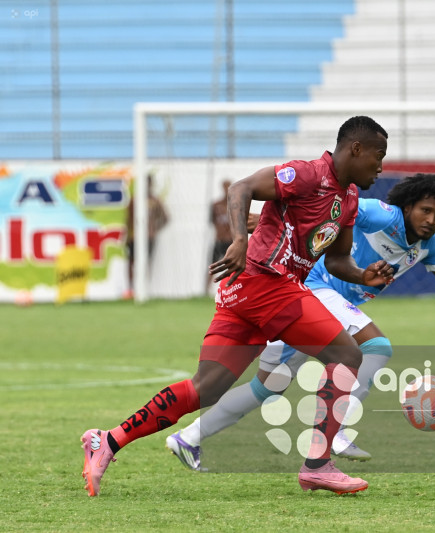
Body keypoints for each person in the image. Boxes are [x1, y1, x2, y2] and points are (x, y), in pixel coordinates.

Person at [82, 116, 392, 496]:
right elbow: (242, 188)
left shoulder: (349, 199)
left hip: (247, 291)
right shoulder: (308, 174)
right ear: (355, 149)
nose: (380, 167)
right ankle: (318, 465)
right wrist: (239, 240)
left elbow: (336, 261)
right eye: (378, 156)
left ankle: (107, 440)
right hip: (265, 281)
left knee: (205, 389)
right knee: (347, 355)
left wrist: (363, 276)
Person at [165, 173, 435, 471]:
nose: (431, 220)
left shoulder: (429, 245)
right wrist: (270, 220)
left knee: (267, 389)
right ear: (408, 205)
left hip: (317, 310)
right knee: (376, 347)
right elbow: (331, 213)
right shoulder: (381, 214)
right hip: (310, 289)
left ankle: (188, 438)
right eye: (425, 210)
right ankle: (335, 433)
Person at [125, 173, 169, 298]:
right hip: (135, 237)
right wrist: (128, 235)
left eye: (148, 183)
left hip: (149, 237)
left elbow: (165, 218)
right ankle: (131, 289)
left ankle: (143, 289)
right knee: (131, 262)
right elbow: (129, 219)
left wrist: (154, 228)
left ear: (151, 184)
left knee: (146, 263)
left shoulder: (155, 201)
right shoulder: (135, 199)